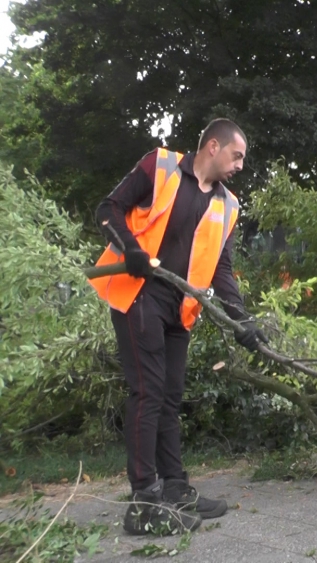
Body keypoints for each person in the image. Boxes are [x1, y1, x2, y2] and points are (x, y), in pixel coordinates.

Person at [88, 118, 269, 536]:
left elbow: (221, 270)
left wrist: (242, 320)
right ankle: (143, 504)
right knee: (148, 393)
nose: (240, 164)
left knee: (169, 398)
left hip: (179, 308)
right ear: (212, 147)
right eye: (236, 155)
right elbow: (108, 208)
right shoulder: (161, 166)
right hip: (139, 294)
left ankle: (174, 488)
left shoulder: (229, 205)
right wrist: (129, 249)